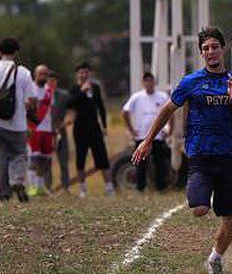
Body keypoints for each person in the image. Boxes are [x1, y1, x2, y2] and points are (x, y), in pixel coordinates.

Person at [132, 27, 232, 274]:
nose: (211, 52)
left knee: (231, 217)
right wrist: (147, 141)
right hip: (200, 154)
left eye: (214, 47)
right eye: (206, 48)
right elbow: (167, 110)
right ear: (201, 53)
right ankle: (206, 190)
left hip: (230, 155)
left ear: (222, 49)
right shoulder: (191, 82)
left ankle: (215, 257)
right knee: (199, 209)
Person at [66, 62, 113, 197]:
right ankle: (83, 189)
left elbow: (101, 107)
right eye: (81, 72)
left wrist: (104, 125)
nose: (84, 75)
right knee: (81, 158)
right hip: (80, 127)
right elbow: (69, 103)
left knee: (102, 157)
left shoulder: (95, 88)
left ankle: (109, 187)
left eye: (86, 72)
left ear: (90, 74)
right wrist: (82, 91)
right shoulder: (74, 89)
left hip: (95, 127)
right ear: (77, 74)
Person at [0, 36, 37, 202]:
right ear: (16, 52)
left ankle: (3, 193)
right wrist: (28, 109)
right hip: (17, 124)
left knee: (2, 157)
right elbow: (32, 99)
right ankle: (17, 180)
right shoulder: (23, 72)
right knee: (19, 154)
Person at [122, 72, 170, 192]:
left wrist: (170, 129)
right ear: (143, 83)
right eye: (146, 81)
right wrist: (131, 130)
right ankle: (140, 188)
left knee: (160, 163)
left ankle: (161, 187)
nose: (149, 83)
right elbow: (124, 111)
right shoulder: (137, 97)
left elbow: (170, 113)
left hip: (158, 136)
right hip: (142, 137)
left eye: (151, 80)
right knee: (141, 163)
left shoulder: (162, 96)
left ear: (154, 82)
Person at [27, 64, 54, 195]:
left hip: (47, 129)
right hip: (34, 128)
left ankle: (40, 185)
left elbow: (51, 111)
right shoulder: (30, 88)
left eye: (45, 74)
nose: (43, 76)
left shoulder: (49, 90)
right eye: (41, 73)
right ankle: (32, 186)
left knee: (45, 159)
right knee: (33, 158)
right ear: (35, 74)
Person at [47, 71, 71, 193]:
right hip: (45, 132)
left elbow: (71, 113)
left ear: (56, 81)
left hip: (60, 130)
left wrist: (64, 123)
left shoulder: (64, 95)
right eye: (49, 80)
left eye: (53, 80)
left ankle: (65, 187)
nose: (51, 83)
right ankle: (47, 187)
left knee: (63, 160)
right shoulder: (40, 94)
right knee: (46, 160)